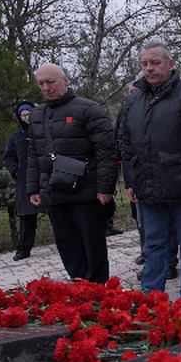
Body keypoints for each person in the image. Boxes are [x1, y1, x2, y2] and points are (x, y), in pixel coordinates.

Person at [117, 42, 181, 299]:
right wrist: (131, 180)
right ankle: (152, 297)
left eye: (155, 63)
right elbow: (126, 144)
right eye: (144, 64)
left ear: (171, 64)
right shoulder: (134, 100)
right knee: (154, 244)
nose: (149, 68)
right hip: (148, 185)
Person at [27, 63, 118, 283]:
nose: (46, 87)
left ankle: (98, 288)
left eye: (51, 82)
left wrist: (105, 188)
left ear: (65, 80)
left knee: (93, 245)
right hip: (55, 191)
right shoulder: (38, 114)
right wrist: (33, 188)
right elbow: (33, 154)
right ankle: (79, 285)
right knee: (67, 244)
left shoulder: (89, 109)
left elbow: (107, 152)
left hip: (86, 193)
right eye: (41, 83)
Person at [2, 102, 47, 260]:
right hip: (25, 180)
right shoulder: (16, 137)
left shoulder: (44, 132)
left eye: (29, 114)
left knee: (57, 213)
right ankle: (24, 249)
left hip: (46, 178)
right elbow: (7, 158)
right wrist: (15, 171)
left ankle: (69, 242)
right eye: (24, 115)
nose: (27, 118)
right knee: (27, 218)